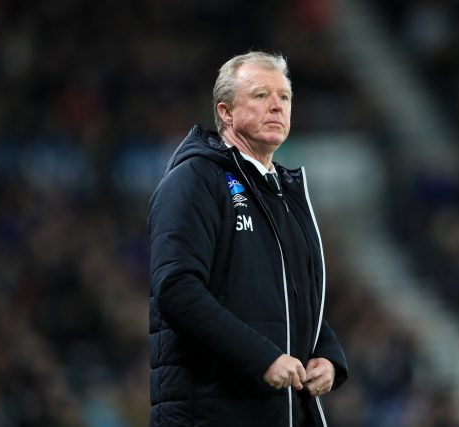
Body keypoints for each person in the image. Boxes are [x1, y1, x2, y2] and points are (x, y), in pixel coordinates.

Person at [148, 51, 348, 427]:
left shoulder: (286, 194)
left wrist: (328, 355)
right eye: (260, 96)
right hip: (213, 412)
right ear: (225, 112)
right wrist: (263, 358)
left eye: (284, 97)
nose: (276, 106)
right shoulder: (194, 180)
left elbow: (296, 299)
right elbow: (176, 290)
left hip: (284, 412)